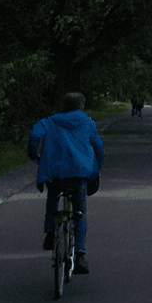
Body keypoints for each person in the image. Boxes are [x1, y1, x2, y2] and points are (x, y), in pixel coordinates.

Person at [28, 92, 105, 274]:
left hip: (55, 172)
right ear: (82, 105)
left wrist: (34, 155)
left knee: (52, 197)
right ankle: (80, 255)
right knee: (80, 214)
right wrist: (96, 168)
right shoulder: (87, 122)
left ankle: (50, 232)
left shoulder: (51, 121)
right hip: (79, 173)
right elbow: (99, 147)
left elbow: (34, 135)